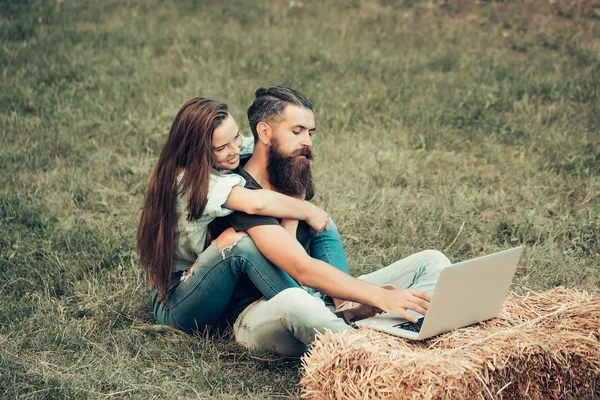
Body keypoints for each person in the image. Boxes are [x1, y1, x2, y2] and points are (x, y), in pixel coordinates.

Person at [211, 86, 452, 356]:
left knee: (434, 262)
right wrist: (380, 296)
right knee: (298, 302)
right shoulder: (242, 193)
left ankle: (384, 327)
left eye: (309, 133)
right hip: (263, 313)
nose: (308, 142)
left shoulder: (289, 170)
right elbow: (298, 269)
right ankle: (378, 357)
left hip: (318, 297)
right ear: (265, 133)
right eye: (297, 131)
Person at [137, 97, 349, 331]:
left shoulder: (233, 146)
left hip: (211, 274)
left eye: (236, 136)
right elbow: (256, 204)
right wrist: (306, 209)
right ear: (197, 152)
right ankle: (317, 314)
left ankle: (346, 304)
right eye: (221, 148)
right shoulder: (191, 182)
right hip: (179, 300)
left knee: (321, 222)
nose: (235, 149)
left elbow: (270, 145)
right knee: (237, 243)